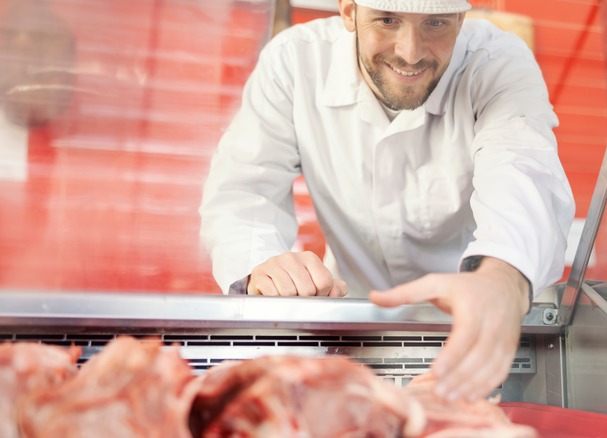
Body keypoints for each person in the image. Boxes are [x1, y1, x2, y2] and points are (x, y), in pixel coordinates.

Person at [199, 0, 575, 402]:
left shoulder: (497, 62)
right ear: (348, 12)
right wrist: (262, 263)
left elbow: (521, 170)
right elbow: (245, 189)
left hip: (471, 332)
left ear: (462, 20)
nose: (410, 52)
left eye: (435, 23)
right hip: (346, 336)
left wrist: (501, 282)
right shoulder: (294, 61)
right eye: (387, 20)